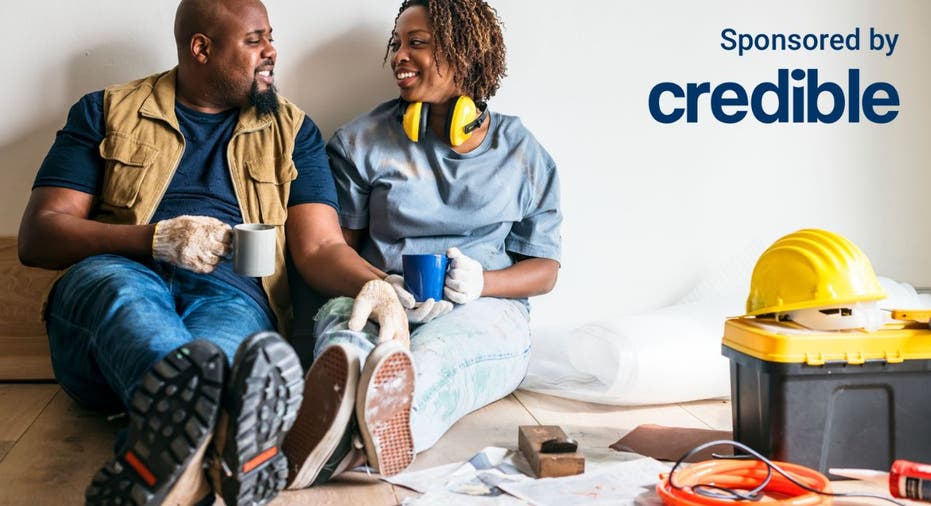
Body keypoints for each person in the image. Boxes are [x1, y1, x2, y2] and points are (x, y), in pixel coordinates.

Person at [18, 0, 408, 504]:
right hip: (118, 275)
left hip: (232, 294)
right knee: (132, 304)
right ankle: (227, 434)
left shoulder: (293, 132)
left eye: (271, 36)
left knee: (225, 357)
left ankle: (178, 467)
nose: (271, 51)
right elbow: (39, 235)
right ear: (200, 48)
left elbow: (321, 246)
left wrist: (374, 283)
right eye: (254, 40)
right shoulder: (105, 111)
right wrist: (152, 239)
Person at [282, 0, 562, 488]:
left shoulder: (522, 152)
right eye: (397, 44)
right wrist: (381, 287)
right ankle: (341, 420)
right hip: (378, 293)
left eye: (417, 43)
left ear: (467, 52)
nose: (399, 56)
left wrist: (482, 284)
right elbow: (330, 252)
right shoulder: (361, 140)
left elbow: (545, 268)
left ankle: (363, 436)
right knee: (347, 338)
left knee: (431, 363)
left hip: (483, 313)